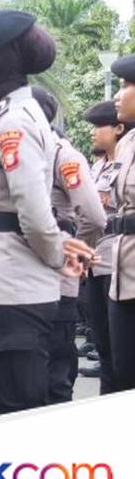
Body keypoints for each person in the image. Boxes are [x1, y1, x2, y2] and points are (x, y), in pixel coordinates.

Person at [0, 9, 94, 417]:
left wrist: (57, 257)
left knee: (12, 410)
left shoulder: (16, 120)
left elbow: (32, 209)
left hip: (13, 289)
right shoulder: (3, 115)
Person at [31, 86, 105, 404]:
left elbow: (92, 215)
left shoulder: (63, 155)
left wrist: (78, 254)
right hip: (25, 278)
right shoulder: (27, 154)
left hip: (56, 276)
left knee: (55, 374)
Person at [81, 99, 125, 390]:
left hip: (117, 265)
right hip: (95, 264)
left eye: (100, 127)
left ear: (119, 129)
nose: (93, 133)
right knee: (104, 345)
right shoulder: (96, 167)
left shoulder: (127, 164)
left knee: (121, 348)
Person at [106, 54, 135, 392]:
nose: (118, 93)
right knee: (123, 370)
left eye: (127, 85)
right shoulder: (125, 143)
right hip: (122, 272)